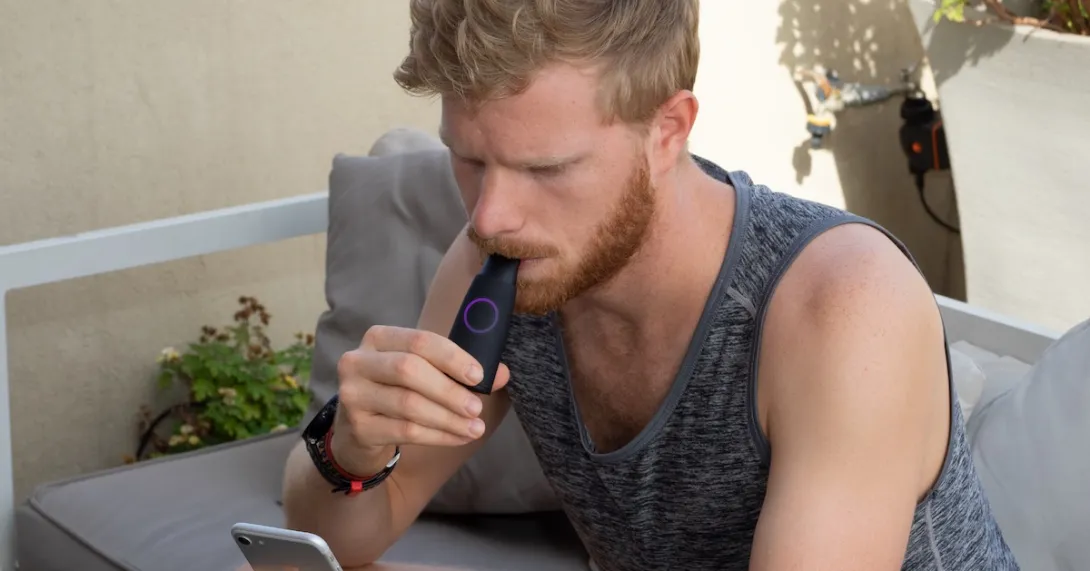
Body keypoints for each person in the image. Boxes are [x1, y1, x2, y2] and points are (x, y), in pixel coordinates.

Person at [278, 1, 1020, 569]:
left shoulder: (845, 306)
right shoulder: (498, 265)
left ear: (669, 130)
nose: (491, 215)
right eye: (469, 158)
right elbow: (338, 537)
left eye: (545, 169)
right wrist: (352, 449)